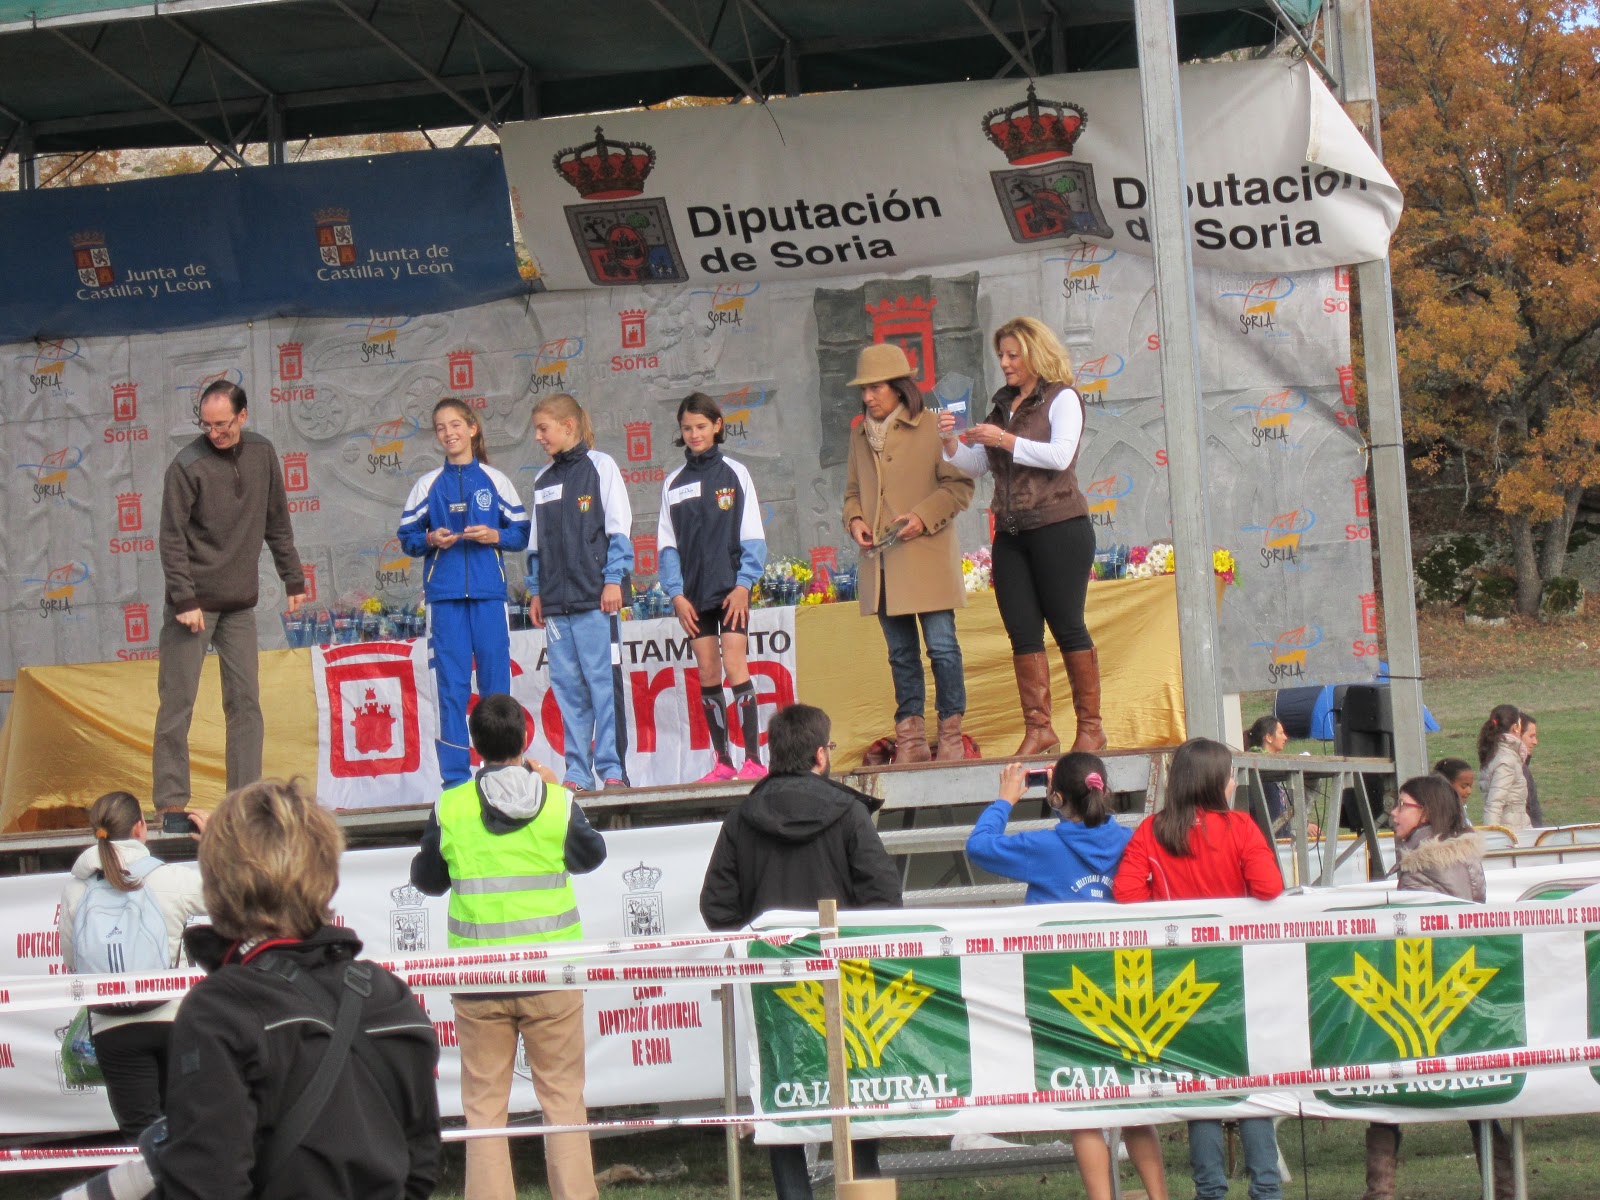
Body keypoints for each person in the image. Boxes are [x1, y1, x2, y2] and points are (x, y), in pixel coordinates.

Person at [160, 779, 440, 1200]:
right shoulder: (388, 996)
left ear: (217, 880)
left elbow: (204, 1184)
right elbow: (421, 1165)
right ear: (326, 870)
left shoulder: (221, 1009)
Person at [698, 703, 900, 1200]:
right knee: (857, 1094)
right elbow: (884, 898)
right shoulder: (850, 814)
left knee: (783, 1096)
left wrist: (756, 940)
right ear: (820, 755)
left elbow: (716, 906)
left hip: (774, 983)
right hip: (846, 978)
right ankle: (863, 1189)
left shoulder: (742, 820)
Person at [411, 693, 607, 1200]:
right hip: (551, 978)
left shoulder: (451, 807)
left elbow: (427, 881)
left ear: (474, 746)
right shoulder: (558, 801)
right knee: (564, 1103)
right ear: (525, 739)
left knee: (483, 1110)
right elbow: (592, 858)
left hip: (480, 981)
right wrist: (555, 791)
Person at [965, 754, 1168, 1200]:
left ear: (1055, 798)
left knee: (1082, 1105)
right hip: (1127, 984)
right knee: (1135, 1103)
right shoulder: (1132, 841)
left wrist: (1004, 800)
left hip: (1063, 993)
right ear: (1104, 790)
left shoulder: (1042, 847)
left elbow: (979, 847)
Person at [1113, 737, 1285, 1200]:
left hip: (1179, 976)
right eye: (1231, 774)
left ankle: (1210, 1190)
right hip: (1240, 973)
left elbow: (1126, 896)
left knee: (1199, 1085)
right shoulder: (1241, 826)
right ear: (1217, 782)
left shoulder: (1153, 830)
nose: (1234, 781)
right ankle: (1266, 1188)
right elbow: (1270, 887)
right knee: (1251, 1081)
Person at [938, 316, 1103, 755]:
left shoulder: (1062, 398)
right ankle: (1039, 728)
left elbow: (1060, 456)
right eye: (1001, 356)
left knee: (1067, 626)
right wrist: (952, 443)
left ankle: (1091, 728)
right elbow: (979, 465)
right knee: (1022, 633)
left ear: (1035, 353)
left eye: (1013, 355)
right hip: (1011, 533)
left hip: (1059, 526)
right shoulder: (1002, 406)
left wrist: (1003, 439)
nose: (1005, 363)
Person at [154, 379, 305, 812]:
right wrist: (184, 599)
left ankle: (244, 801)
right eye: (206, 425)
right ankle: (171, 804)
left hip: (239, 604)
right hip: (193, 604)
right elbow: (171, 538)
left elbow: (277, 520)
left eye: (223, 424)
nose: (214, 433)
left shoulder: (262, 453)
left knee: (245, 704)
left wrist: (293, 578)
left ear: (243, 416)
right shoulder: (187, 465)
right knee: (177, 704)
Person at [1364, 773, 1503, 1200]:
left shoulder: (1422, 864)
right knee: (1479, 1093)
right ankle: (1505, 1186)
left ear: (1425, 812)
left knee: (1386, 1087)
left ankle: (1380, 1191)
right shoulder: (1458, 856)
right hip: (1461, 990)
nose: (1393, 813)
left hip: (1424, 988)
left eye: (1402, 804)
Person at [842, 343, 975, 763]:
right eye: (864, 389)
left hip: (927, 557)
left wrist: (922, 516)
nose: (868, 397)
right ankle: (912, 740)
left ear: (900, 386)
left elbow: (960, 487)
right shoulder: (859, 435)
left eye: (876, 387)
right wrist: (855, 520)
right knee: (901, 655)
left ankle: (950, 734)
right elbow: (851, 492)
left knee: (942, 648)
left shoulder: (935, 426)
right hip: (882, 564)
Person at [398, 397, 531, 787]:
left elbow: (521, 532)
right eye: (441, 428)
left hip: (489, 597)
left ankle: (504, 771)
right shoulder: (427, 485)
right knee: (451, 690)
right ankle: (455, 780)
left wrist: (494, 535)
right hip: (445, 600)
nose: (448, 433)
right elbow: (406, 537)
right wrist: (429, 539)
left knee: (496, 688)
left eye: (455, 425)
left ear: (472, 429)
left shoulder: (494, 480)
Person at [57, 792, 206, 1138]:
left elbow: (72, 960)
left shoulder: (76, 889)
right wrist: (213, 845)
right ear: (140, 828)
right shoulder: (170, 879)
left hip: (112, 1026)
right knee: (186, 1132)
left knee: (142, 1139)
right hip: (173, 1019)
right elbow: (235, 896)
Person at [526, 392, 633, 792]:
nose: (538, 437)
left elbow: (619, 528)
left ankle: (612, 769)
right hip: (556, 604)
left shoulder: (601, 467)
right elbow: (536, 545)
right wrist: (537, 591)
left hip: (596, 598)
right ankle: (577, 772)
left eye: (544, 428)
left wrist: (613, 579)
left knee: (603, 684)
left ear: (568, 426)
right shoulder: (542, 480)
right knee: (568, 689)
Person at [659, 392, 769, 782]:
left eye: (701, 426)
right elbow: (667, 545)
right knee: (708, 669)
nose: (694, 434)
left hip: (731, 590)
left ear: (718, 425)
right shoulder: (673, 483)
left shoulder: (736, 474)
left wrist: (744, 585)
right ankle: (722, 762)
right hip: (693, 596)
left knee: (734, 662)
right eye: (687, 428)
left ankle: (754, 760)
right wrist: (676, 594)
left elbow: (753, 535)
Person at [1477, 703, 1530, 830]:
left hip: (1514, 828)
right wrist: (1494, 836)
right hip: (1512, 832)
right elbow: (1494, 804)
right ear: (1515, 727)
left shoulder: (1496, 754)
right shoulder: (1506, 761)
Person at [1519, 713, 1546, 826]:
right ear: (1517, 735)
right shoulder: (1513, 769)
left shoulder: (1522, 767)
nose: (1535, 742)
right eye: (1531, 736)